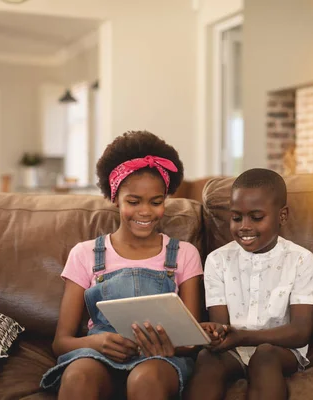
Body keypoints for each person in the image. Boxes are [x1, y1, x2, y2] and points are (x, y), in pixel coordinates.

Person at [40, 131, 203, 400]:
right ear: (115, 197)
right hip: (98, 355)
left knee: (145, 379)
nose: (145, 212)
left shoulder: (184, 254)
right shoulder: (85, 254)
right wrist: (96, 342)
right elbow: (61, 342)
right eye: (133, 201)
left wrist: (171, 346)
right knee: (78, 376)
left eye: (156, 202)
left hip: (159, 361)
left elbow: (191, 340)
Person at [185, 168, 313, 400]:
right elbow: (222, 326)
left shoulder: (300, 259)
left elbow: (300, 332)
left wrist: (243, 337)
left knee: (264, 355)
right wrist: (216, 333)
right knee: (208, 358)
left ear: (282, 215)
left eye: (256, 217)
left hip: (280, 350)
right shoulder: (217, 260)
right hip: (233, 350)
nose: (244, 226)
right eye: (236, 217)